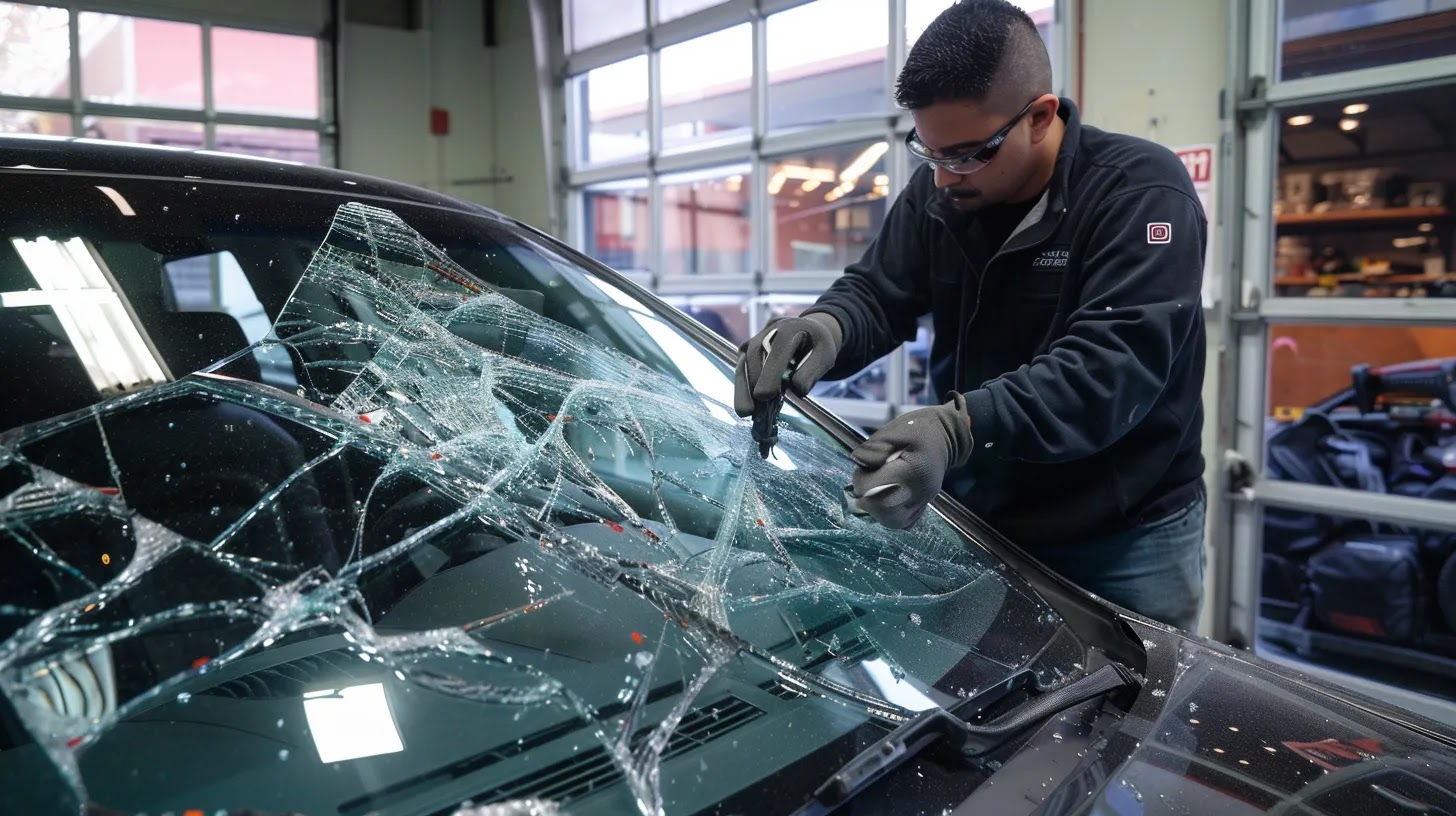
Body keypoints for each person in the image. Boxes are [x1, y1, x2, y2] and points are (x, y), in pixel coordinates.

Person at [732, 0, 1208, 630]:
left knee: (1135, 720)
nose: (941, 180)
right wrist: (824, 328)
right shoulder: (946, 191)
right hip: (981, 518)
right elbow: (878, 292)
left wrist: (956, 428)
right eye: (928, 155)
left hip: (1121, 538)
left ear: (1040, 117)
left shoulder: (1141, 193)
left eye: (964, 154)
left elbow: (1107, 372)